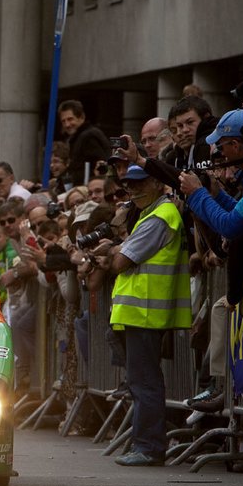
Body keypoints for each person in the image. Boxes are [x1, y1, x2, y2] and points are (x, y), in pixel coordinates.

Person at [94, 165, 191, 466]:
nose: (133, 190)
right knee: (141, 381)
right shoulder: (150, 215)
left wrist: (112, 251)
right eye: (128, 185)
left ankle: (149, 447)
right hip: (138, 313)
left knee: (145, 382)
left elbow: (121, 262)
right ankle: (145, 443)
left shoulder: (160, 216)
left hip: (147, 313)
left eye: (140, 183)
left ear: (158, 183)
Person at [58, 100, 111, 184]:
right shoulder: (80, 137)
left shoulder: (88, 137)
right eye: (63, 121)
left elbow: (100, 165)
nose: (67, 125)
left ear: (81, 117)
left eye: (70, 119)